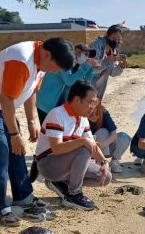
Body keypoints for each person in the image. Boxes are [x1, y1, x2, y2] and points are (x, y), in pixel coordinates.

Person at [0, 38, 75, 225]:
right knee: (0, 154)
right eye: (55, 67)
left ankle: (23, 197)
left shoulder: (41, 61)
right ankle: (0, 209)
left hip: (1, 107)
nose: (54, 72)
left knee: (18, 152)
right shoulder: (22, 59)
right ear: (47, 54)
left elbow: (31, 91)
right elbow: (6, 99)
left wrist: (32, 121)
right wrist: (15, 135)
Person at [36, 82, 111, 210]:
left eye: (95, 103)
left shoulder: (82, 118)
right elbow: (57, 148)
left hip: (64, 164)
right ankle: (74, 194)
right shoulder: (57, 114)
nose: (93, 107)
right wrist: (82, 141)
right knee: (83, 148)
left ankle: (60, 184)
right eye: (90, 102)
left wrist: (104, 162)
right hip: (48, 164)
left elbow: (92, 144)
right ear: (77, 100)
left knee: (105, 177)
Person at [29, 43, 99, 182]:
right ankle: (37, 172)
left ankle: (54, 170)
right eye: (85, 53)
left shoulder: (73, 65)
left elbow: (82, 86)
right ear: (77, 52)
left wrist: (91, 69)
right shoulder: (64, 63)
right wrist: (86, 66)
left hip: (55, 101)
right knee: (48, 140)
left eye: (89, 53)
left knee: (61, 138)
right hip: (46, 103)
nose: (87, 56)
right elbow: (69, 81)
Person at [88, 102, 130, 173]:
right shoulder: (81, 116)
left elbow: (114, 135)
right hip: (90, 150)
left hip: (103, 146)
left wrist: (101, 145)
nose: (94, 116)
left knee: (124, 137)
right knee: (102, 131)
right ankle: (100, 163)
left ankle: (114, 161)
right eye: (91, 114)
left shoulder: (104, 112)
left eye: (97, 113)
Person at [89, 24, 128, 99]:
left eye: (118, 40)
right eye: (113, 38)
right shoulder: (97, 44)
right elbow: (92, 69)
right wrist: (108, 61)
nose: (116, 41)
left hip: (100, 85)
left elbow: (112, 72)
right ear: (107, 35)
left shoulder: (114, 49)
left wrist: (121, 67)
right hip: (88, 82)